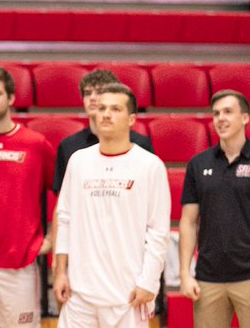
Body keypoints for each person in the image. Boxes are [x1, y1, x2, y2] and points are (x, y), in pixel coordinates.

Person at [53, 83, 169, 328]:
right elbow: (65, 218)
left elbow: (158, 232)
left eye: (115, 109)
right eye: (102, 108)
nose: (105, 114)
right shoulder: (78, 161)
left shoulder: (150, 165)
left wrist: (149, 282)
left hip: (127, 295)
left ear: (131, 119)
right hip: (80, 294)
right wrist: (61, 271)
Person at [179, 90, 250, 328]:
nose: (220, 118)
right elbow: (187, 221)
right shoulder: (198, 164)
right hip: (208, 279)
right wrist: (185, 274)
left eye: (228, 112)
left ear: (245, 117)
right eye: (216, 113)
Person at [0, 66, 55, 328]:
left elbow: (62, 194)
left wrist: (53, 237)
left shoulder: (35, 144)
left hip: (18, 264)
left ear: (10, 98)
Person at [53, 70, 155, 195]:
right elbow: (63, 201)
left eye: (99, 92)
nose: (92, 98)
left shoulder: (140, 143)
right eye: (87, 93)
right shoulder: (68, 146)